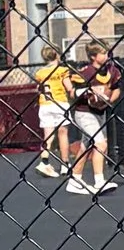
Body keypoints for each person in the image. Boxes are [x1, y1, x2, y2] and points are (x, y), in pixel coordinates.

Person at [67, 37, 124, 196]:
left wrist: (107, 101)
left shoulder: (112, 70)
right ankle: (99, 181)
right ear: (93, 56)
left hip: (100, 113)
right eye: (103, 53)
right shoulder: (86, 73)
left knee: (87, 146)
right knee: (101, 144)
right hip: (84, 113)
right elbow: (72, 92)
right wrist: (88, 93)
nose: (107, 55)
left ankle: (75, 179)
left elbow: (116, 89)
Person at [31, 24, 76, 180]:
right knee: (63, 134)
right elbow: (69, 87)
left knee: (47, 136)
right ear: (57, 55)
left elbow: (39, 88)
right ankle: (65, 164)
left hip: (45, 104)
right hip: (60, 103)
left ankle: (44, 161)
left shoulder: (40, 73)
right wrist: (74, 91)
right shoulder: (62, 71)